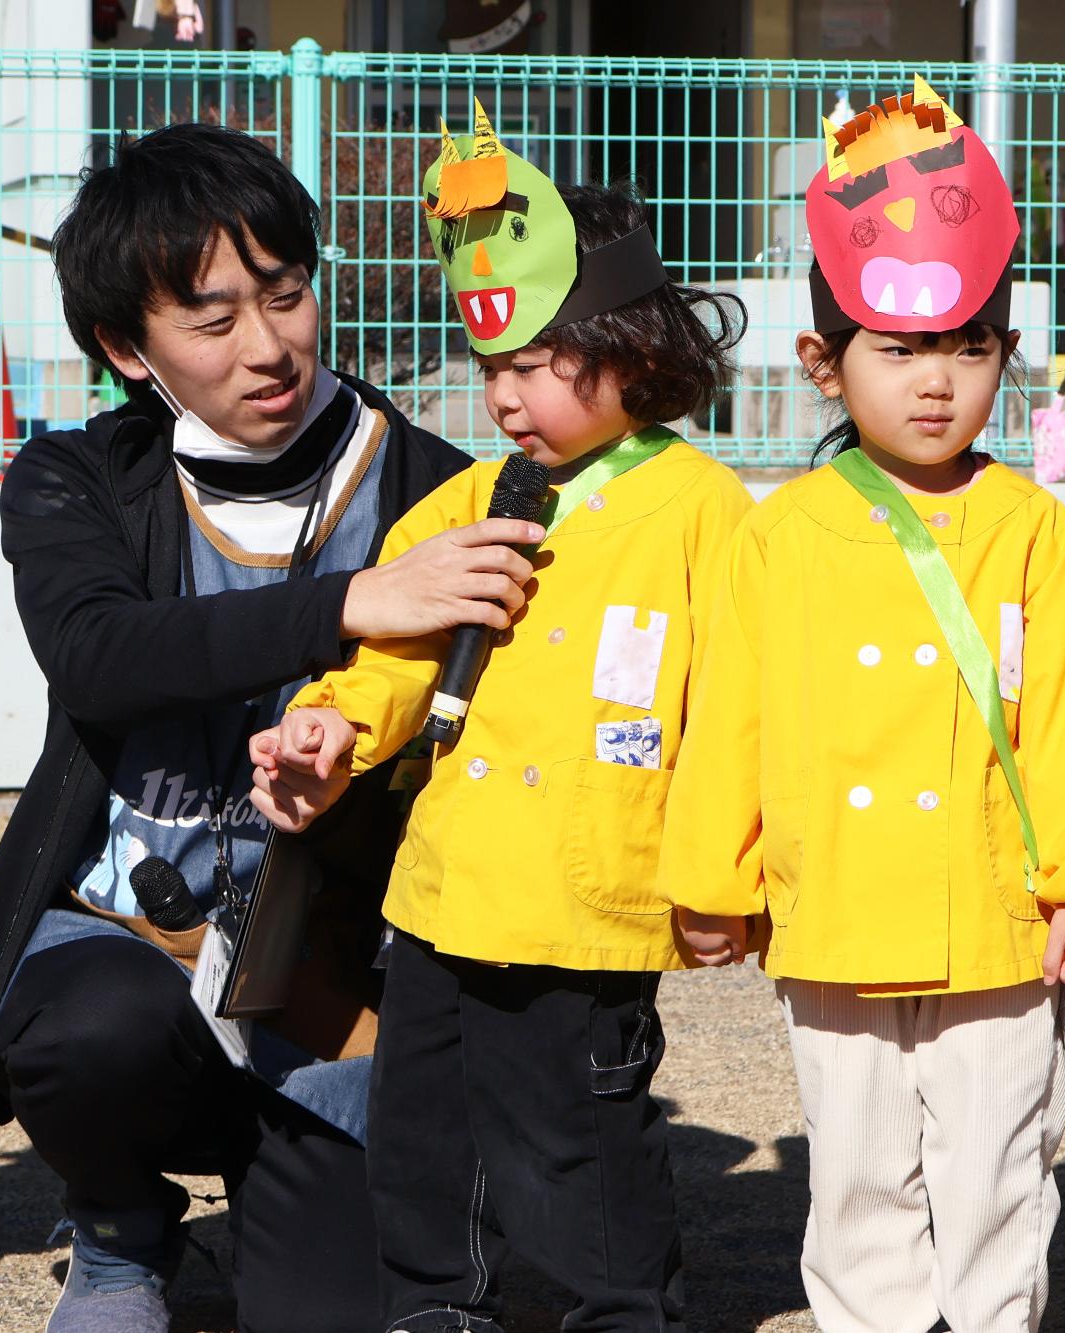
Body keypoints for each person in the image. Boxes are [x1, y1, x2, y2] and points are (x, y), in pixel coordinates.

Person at [0, 122, 544, 1332]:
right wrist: (353, 606)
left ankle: (309, 1173)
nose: (269, 346)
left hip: (339, 982)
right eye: (210, 320)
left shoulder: (435, 484)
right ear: (123, 346)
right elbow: (97, 657)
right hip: (133, 949)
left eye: (287, 295)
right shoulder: (76, 479)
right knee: (82, 1035)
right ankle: (116, 1233)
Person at [251, 105, 752, 1332]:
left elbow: (735, 707)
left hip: (591, 901)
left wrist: (716, 871)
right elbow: (390, 656)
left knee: (578, 1140)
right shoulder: (473, 499)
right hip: (442, 892)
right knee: (422, 1135)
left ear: (628, 344)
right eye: (490, 370)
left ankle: (622, 1312)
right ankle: (435, 1308)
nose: (505, 396)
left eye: (533, 365)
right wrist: (331, 724)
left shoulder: (702, 510)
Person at [658, 79, 1065, 1333]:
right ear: (824, 361)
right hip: (832, 910)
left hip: (991, 914)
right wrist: (714, 874)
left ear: (1003, 355)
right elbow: (734, 715)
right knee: (859, 1170)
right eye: (899, 348)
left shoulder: (1032, 528)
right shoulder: (779, 536)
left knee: (994, 1165)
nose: (935, 383)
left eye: (967, 347)